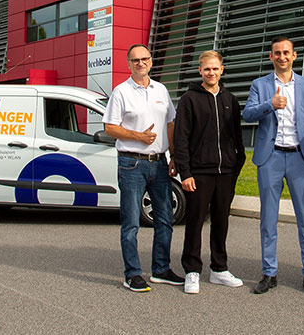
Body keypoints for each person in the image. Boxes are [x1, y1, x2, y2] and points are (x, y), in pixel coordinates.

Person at [242, 36, 304, 295]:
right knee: (268, 218)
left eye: (286, 52)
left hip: (300, 157)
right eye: (277, 53)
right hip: (271, 157)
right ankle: (269, 272)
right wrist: (270, 105)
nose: (282, 57)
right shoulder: (260, 84)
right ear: (271, 57)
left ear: (294, 55)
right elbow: (247, 114)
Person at [102, 44, 184, 292]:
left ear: (151, 61)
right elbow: (110, 127)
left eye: (144, 59)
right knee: (131, 222)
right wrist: (138, 136)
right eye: (135, 60)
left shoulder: (160, 89)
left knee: (164, 218)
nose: (141, 63)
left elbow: (170, 123)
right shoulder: (121, 92)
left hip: (159, 162)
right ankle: (132, 274)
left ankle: (161, 269)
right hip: (131, 162)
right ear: (128, 64)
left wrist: (173, 155)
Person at [173, 50, 246, 294]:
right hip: (199, 173)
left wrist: (236, 166)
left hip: (225, 172)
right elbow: (181, 139)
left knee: (221, 221)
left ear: (221, 69)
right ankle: (192, 271)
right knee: (195, 222)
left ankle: (219, 269)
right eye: (207, 69)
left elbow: (237, 136)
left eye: (215, 68)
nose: (211, 73)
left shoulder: (231, 99)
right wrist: (186, 173)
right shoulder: (189, 100)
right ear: (200, 71)